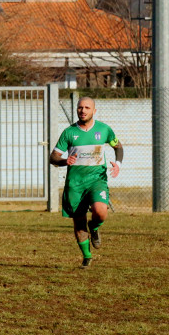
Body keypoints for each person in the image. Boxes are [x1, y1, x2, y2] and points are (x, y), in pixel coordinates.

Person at [49, 96, 123, 268]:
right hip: (75, 184)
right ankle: (87, 256)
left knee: (100, 211)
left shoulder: (104, 130)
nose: (83, 111)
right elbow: (53, 157)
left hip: (97, 179)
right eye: (80, 107)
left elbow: (118, 146)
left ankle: (95, 227)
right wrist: (63, 161)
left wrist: (118, 164)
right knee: (79, 221)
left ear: (94, 111)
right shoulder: (68, 132)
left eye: (87, 108)